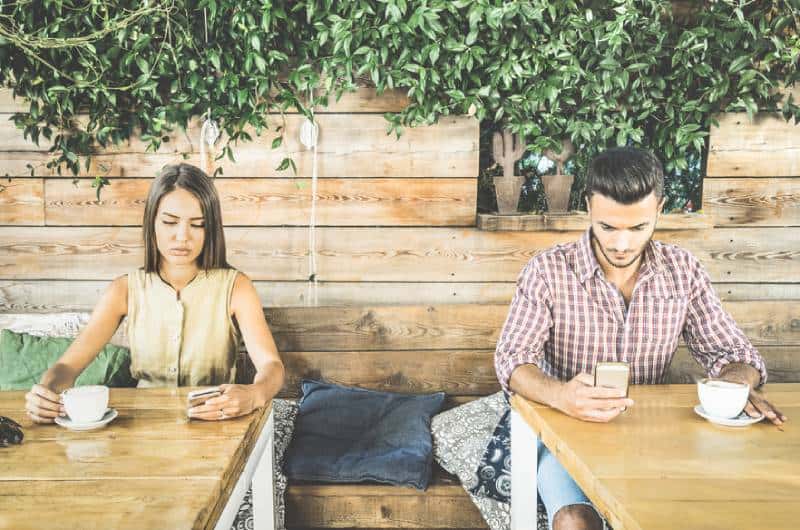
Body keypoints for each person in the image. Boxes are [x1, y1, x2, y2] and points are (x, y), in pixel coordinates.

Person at [494, 147, 787, 530]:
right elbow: (512, 359)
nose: (621, 244)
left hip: (652, 438)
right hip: (566, 436)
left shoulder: (683, 271)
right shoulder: (547, 270)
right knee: (574, 521)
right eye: (608, 227)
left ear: (659, 210)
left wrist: (735, 386)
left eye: (637, 228)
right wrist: (561, 395)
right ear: (589, 207)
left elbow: (734, 353)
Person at [25, 163, 285, 423]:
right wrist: (47, 391)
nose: (182, 237)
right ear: (152, 222)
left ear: (211, 229)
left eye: (198, 224)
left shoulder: (237, 287)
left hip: (215, 423)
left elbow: (271, 366)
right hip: (143, 425)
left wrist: (254, 394)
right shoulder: (123, 289)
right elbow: (67, 366)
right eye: (170, 222)